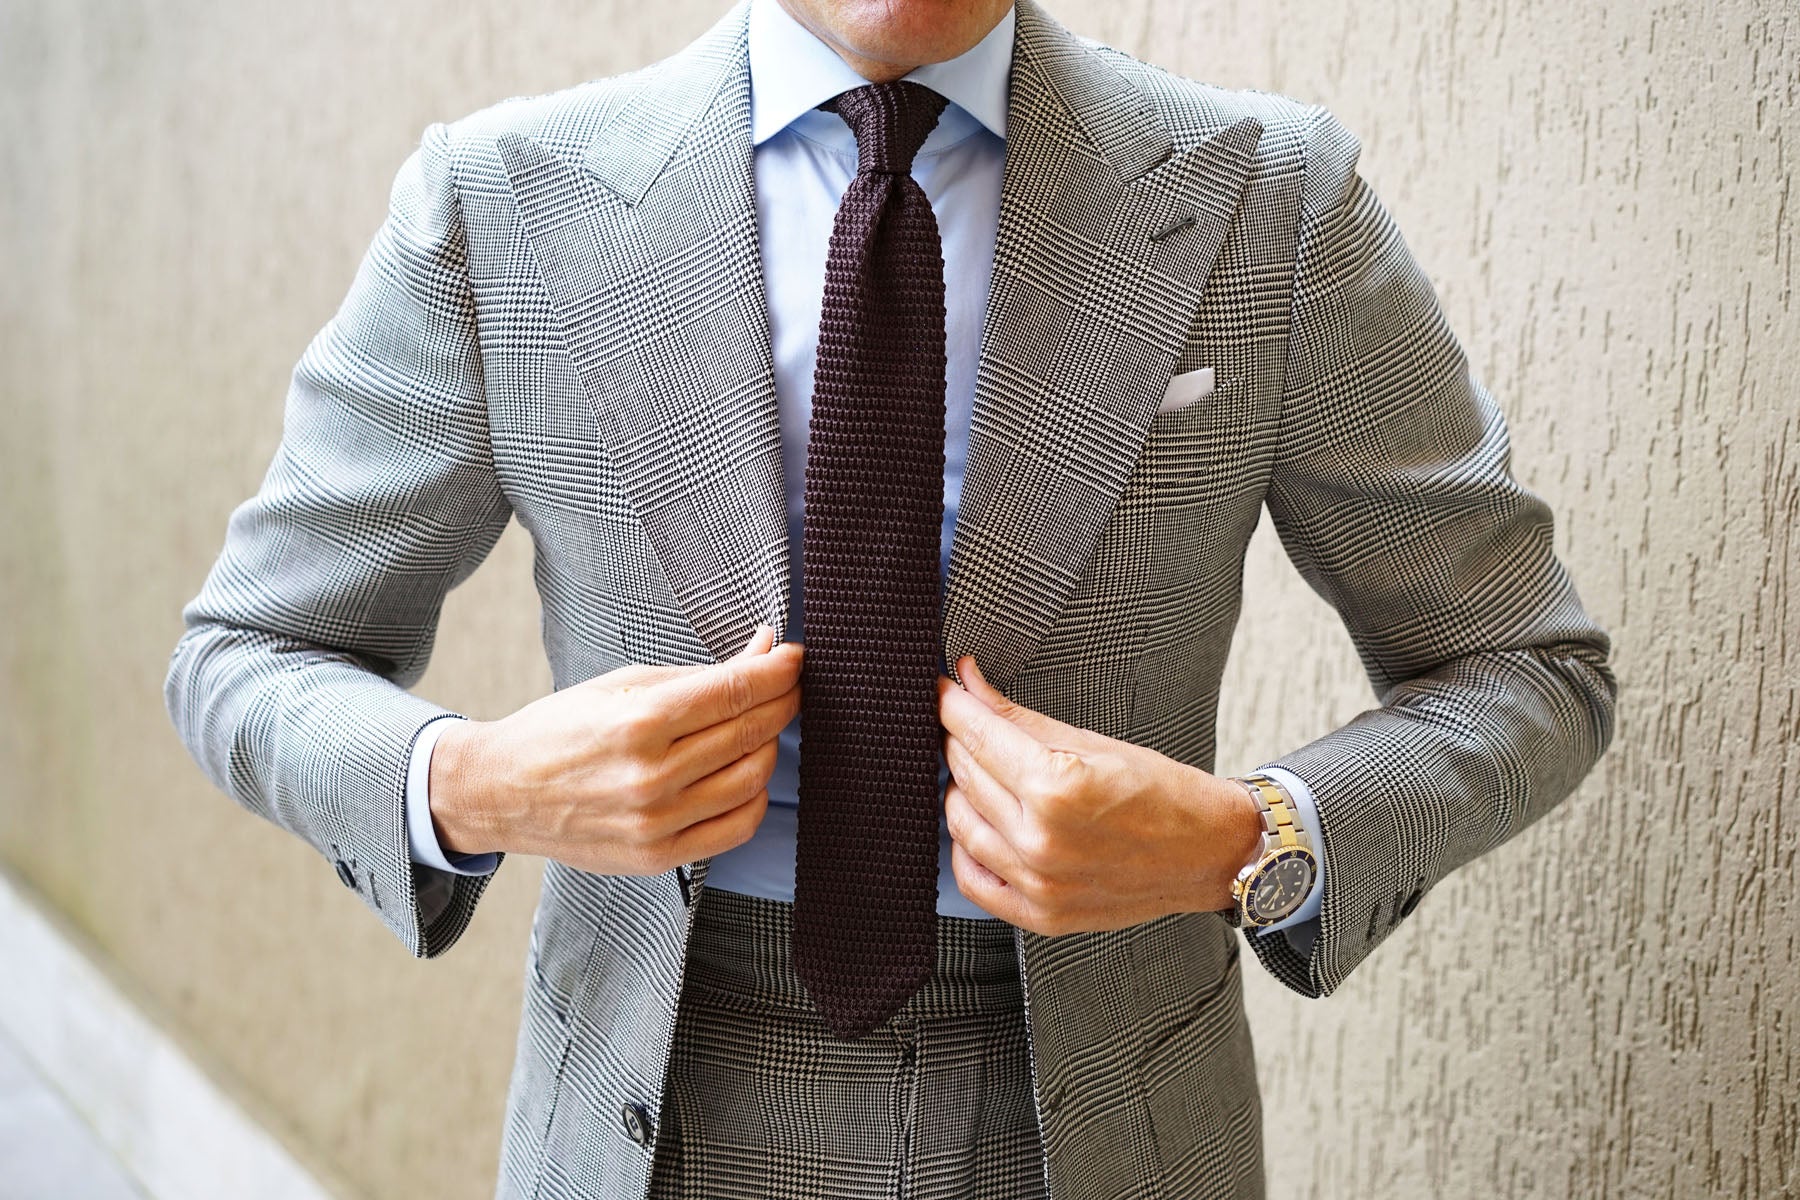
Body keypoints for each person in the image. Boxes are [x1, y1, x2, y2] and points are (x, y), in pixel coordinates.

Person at [164, 0, 1617, 1194]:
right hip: (651, 1104)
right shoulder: (499, 208)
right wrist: (468, 782)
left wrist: (1250, 838)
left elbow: (1526, 672)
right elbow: (251, 650)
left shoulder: (1267, 200)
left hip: (1101, 1119)